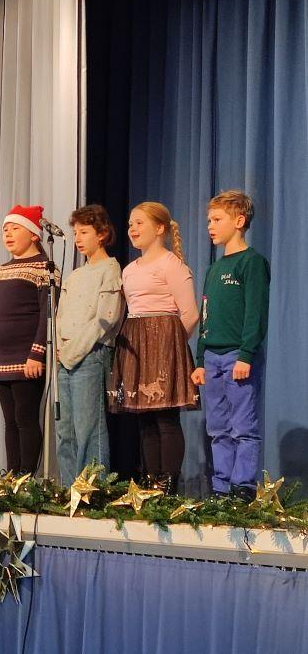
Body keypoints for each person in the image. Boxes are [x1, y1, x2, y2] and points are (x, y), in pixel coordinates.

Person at [108, 202, 199, 493]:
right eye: (130, 224)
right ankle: (151, 480)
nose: (132, 229)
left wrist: (170, 347)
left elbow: (190, 313)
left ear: (159, 228)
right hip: (136, 343)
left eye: (139, 224)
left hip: (164, 344)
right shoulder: (129, 270)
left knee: (165, 417)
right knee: (144, 418)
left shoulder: (171, 264)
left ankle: (168, 482)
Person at [191, 190, 270, 500]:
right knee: (217, 427)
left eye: (217, 219)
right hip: (212, 357)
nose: (210, 225)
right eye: (209, 220)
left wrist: (246, 355)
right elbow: (206, 315)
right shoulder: (214, 268)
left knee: (243, 426)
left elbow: (255, 314)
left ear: (239, 221)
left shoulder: (252, 263)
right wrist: (199, 360)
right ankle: (221, 487)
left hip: (238, 355)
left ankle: (243, 487)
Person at [0, 205, 59, 475]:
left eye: (15, 229)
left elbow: (49, 315)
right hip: (0, 359)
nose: (8, 234)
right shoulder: (1, 270)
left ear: (35, 234)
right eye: (5, 230)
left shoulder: (44, 269)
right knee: (9, 421)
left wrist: (37, 353)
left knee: (25, 418)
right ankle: (12, 476)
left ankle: (26, 476)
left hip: (26, 358)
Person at [55, 205, 124, 485]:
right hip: (66, 358)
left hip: (90, 356)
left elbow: (105, 319)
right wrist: (61, 348)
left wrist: (73, 351)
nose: (78, 238)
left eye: (84, 232)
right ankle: (71, 487)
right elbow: (60, 316)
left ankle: (93, 490)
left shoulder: (110, 269)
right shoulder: (73, 275)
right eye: (75, 233)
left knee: (88, 428)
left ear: (102, 234)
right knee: (65, 430)